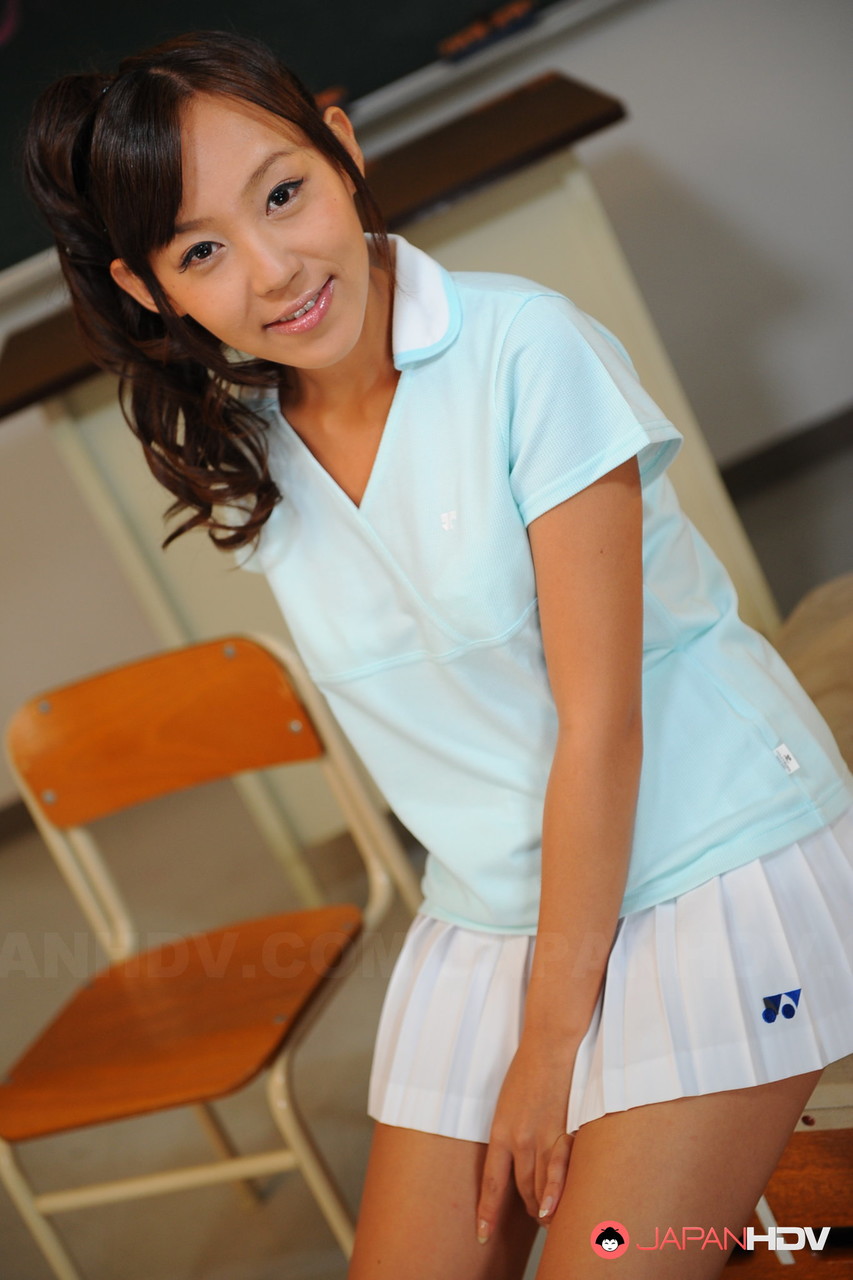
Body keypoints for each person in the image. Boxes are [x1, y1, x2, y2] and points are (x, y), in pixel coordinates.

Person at [24, 31, 853, 1278]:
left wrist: (548, 1047)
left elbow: (601, 727)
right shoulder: (256, 455)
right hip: (495, 913)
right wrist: (524, 1021)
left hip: (708, 856)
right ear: (151, 290)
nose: (273, 268)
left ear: (342, 152)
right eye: (202, 251)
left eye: (283, 194)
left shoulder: (527, 349)